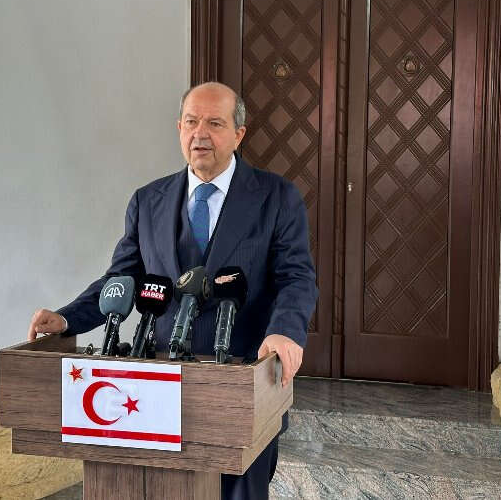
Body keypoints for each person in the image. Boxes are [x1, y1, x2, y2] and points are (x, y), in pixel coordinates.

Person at [27, 81, 317, 499]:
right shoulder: (148, 201)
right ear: (178, 128)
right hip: (157, 390)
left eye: (215, 123)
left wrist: (286, 331)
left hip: (241, 388)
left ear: (239, 134)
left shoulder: (277, 197)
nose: (200, 133)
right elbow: (121, 278)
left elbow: (296, 277)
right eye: (191, 122)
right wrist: (68, 317)